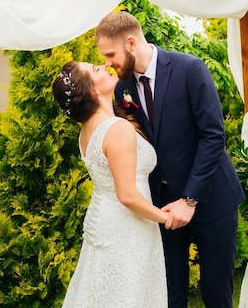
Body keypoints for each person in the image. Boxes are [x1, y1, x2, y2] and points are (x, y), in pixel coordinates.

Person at [94, 10, 245, 308]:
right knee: (169, 296)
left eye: (111, 54)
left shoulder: (189, 68)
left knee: (216, 294)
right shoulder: (122, 88)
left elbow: (213, 135)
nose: (108, 64)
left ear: (131, 43)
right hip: (162, 206)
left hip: (212, 198)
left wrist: (190, 199)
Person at [53, 60, 168, 308]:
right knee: (128, 294)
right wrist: (164, 216)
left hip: (106, 221)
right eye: (96, 69)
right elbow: (126, 195)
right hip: (127, 227)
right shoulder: (117, 129)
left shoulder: (86, 130)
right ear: (92, 91)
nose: (104, 65)